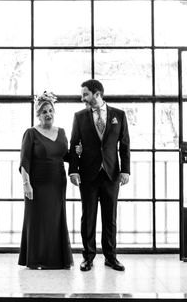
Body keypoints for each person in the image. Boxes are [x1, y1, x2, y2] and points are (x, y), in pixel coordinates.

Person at [68, 79, 130, 272]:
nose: (82, 98)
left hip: (111, 174)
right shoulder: (79, 117)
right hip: (88, 175)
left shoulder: (119, 115)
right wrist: (73, 170)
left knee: (110, 217)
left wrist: (125, 170)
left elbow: (125, 145)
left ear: (97, 94)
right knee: (88, 217)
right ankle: (88, 257)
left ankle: (111, 257)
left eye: (85, 94)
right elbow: (73, 144)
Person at [18, 91, 73, 269]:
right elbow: (25, 160)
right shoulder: (31, 133)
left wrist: (77, 154)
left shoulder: (62, 132)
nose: (48, 114)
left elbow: (66, 155)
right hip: (37, 184)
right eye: (44, 112)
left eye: (50, 111)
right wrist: (26, 184)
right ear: (38, 115)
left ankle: (58, 259)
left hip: (58, 183)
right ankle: (36, 259)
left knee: (56, 219)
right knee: (37, 220)